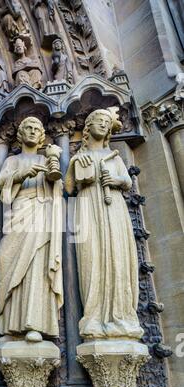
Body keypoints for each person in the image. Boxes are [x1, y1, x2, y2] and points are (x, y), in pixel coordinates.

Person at [65, 109, 144, 340]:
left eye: (106, 122)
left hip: (113, 208)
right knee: (92, 259)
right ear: (88, 127)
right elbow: (68, 189)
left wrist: (115, 179)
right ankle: (93, 317)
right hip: (87, 206)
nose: (102, 124)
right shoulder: (79, 157)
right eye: (98, 121)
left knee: (117, 256)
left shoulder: (114, 156)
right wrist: (72, 166)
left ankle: (121, 316)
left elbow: (127, 182)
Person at [0, 117, 63, 342]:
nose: (33, 132)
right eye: (29, 128)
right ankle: (10, 327)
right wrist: (23, 174)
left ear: (42, 135)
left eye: (37, 129)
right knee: (9, 262)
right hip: (20, 210)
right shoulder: (13, 160)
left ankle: (35, 324)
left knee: (36, 265)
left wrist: (55, 172)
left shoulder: (45, 159)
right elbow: (1, 183)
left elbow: (58, 189)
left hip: (41, 211)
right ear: (21, 134)